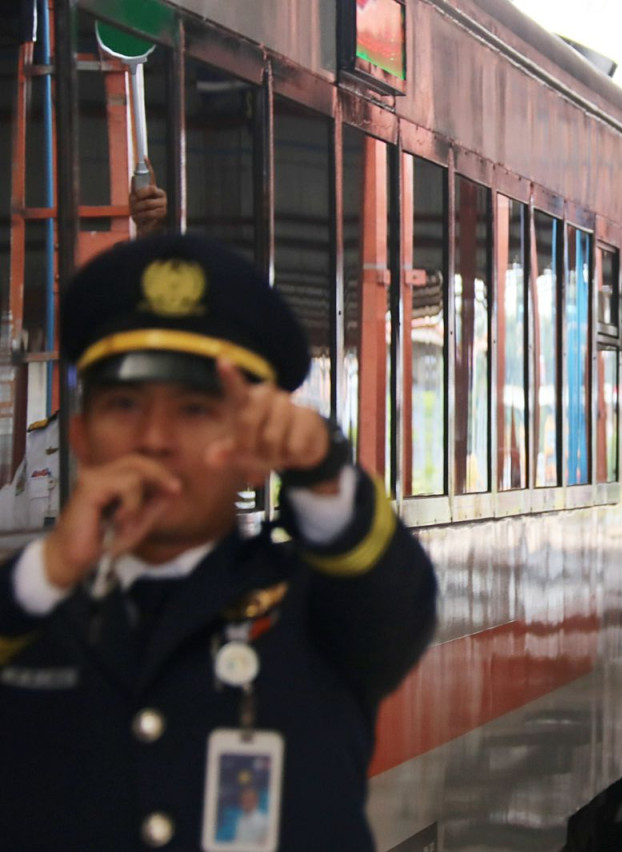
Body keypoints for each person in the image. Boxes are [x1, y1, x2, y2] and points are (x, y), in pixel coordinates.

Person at [0, 233, 438, 850]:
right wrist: (44, 573)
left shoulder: (315, 614)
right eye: (124, 404)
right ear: (80, 437)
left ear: (256, 454)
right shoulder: (31, 608)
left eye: (196, 411)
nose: (154, 437)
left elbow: (396, 612)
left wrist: (321, 470)